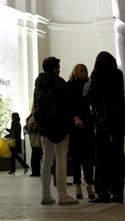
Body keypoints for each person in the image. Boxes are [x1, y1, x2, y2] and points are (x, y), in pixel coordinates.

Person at [33, 56, 78, 206]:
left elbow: (36, 106)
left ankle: (46, 195)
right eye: (58, 67)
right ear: (55, 68)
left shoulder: (38, 85)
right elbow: (67, 104)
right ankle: (63, 195)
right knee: (60, 159)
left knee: (46, 159)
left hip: (44, 126)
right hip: (59, 125)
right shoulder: (59, 82)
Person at [86, 51, 125, 204]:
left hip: (104, 119)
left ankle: (103, 192)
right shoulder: (118, 74)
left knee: (102, 155)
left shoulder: (97, 74)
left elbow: (94, 96)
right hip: (119, 117)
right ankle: (118, 192)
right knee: (118, 154)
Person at [66, 64, 94, 200]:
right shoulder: (69, 86)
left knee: (88, 156)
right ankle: (77, 184)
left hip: (87, 122)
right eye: (81, 71)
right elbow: (68, 105)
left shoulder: (88, 85)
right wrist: (75, 117)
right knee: (76, 156)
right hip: (75, 124)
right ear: (75, 71)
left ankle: (90, 184)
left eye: (85, 71)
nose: (83, 73)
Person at [24, 110, 43, 177]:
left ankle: (36, 171)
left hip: (37, 139)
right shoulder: (32, 117)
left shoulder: (36, 117)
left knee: (36, 155)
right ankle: (35, 171)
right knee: (35, 155)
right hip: (34, 138)